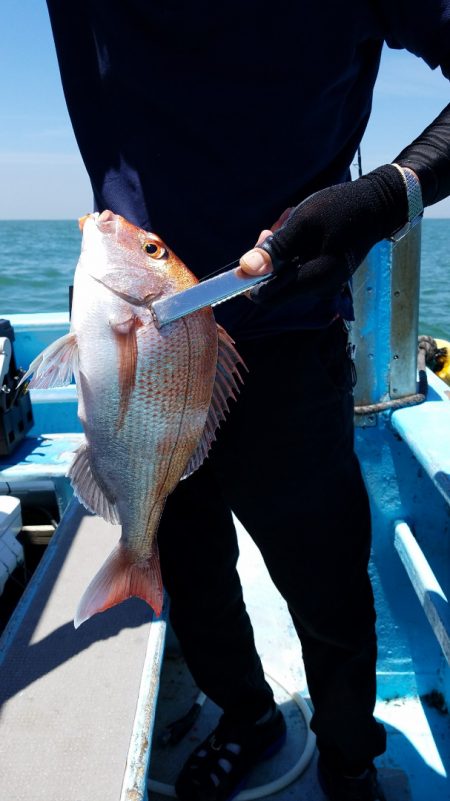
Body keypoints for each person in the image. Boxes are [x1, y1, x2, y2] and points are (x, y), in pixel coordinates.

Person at [45, 3, 450, 800]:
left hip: (293, 334)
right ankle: (249, 715)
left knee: (327, 578)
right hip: (134, 333)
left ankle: (348, 752)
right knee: (189, 569)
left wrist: (388, 194)